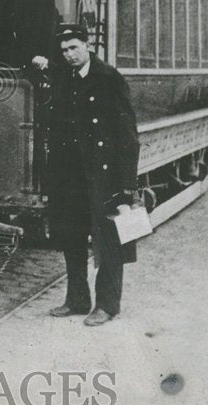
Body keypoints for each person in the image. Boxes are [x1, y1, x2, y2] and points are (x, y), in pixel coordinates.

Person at [44, 24, 139, 326]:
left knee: (109, 239)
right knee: (71, 236)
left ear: (86, 45)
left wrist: (126, 187)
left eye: (73, 47)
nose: (69, 55)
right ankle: (76, 299)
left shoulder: (108, 79)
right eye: (63, 50)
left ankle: (108, 305)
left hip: (103, 176)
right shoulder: (63, 78)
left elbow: (127, 136)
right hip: (70, 176)